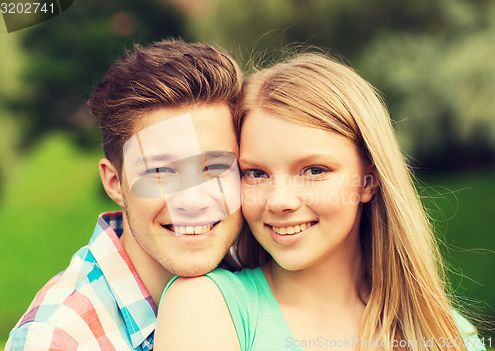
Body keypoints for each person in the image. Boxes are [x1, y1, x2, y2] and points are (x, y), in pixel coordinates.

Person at [154, 52, 486, 351]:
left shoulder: (451, 335)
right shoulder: (207, 305)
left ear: (368, 180)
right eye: (255, 173)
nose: (280, 201)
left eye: (314, 170)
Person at [6, 39, 244, 350]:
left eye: (214, 167)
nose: (193, 201)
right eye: (161, 172)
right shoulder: (59, 338)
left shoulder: (259, 285)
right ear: (115, 182)